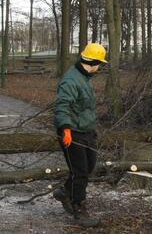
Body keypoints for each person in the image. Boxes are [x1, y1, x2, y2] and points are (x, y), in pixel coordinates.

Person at [52, 43, 106, 228]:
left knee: (89, 166)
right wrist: (65, 128)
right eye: (100, 64)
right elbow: (62, 106)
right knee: (79, 172)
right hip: (72, 132)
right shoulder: (70, 80)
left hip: (86, 131)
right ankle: (79, 209)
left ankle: (64, 192)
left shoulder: (84, 77)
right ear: (93, 62)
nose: (100, 68)